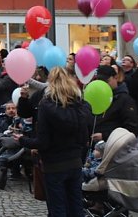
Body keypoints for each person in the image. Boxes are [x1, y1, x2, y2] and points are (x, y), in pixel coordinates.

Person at [15, 67, 92, 217]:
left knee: (57, 208)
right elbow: (85, 137)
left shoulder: (46, 105)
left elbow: (43, 141)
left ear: (50, 82)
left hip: (54, 163)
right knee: (76, 206)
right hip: (75, 161)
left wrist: (23, 140)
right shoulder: (80, 104)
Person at [92, 65, 138, 141]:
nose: (103, 84)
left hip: (114, 143)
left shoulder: (125, 100)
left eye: (106, 81)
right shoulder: (96, 96)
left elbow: (131, 128)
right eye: (100, 81)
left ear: (115, 78)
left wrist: (105, 136)